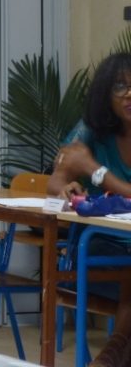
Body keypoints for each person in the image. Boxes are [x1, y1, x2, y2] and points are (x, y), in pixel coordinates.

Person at [50, 52, 131, 367]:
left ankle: (112, 354)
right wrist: (66, 188)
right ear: (105, 94)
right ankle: (114, 354)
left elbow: (89, 167)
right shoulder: (91, 129)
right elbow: (55, 179)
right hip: (101, 244)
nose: (129, 94)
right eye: (120, 86)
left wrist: (95, 171)